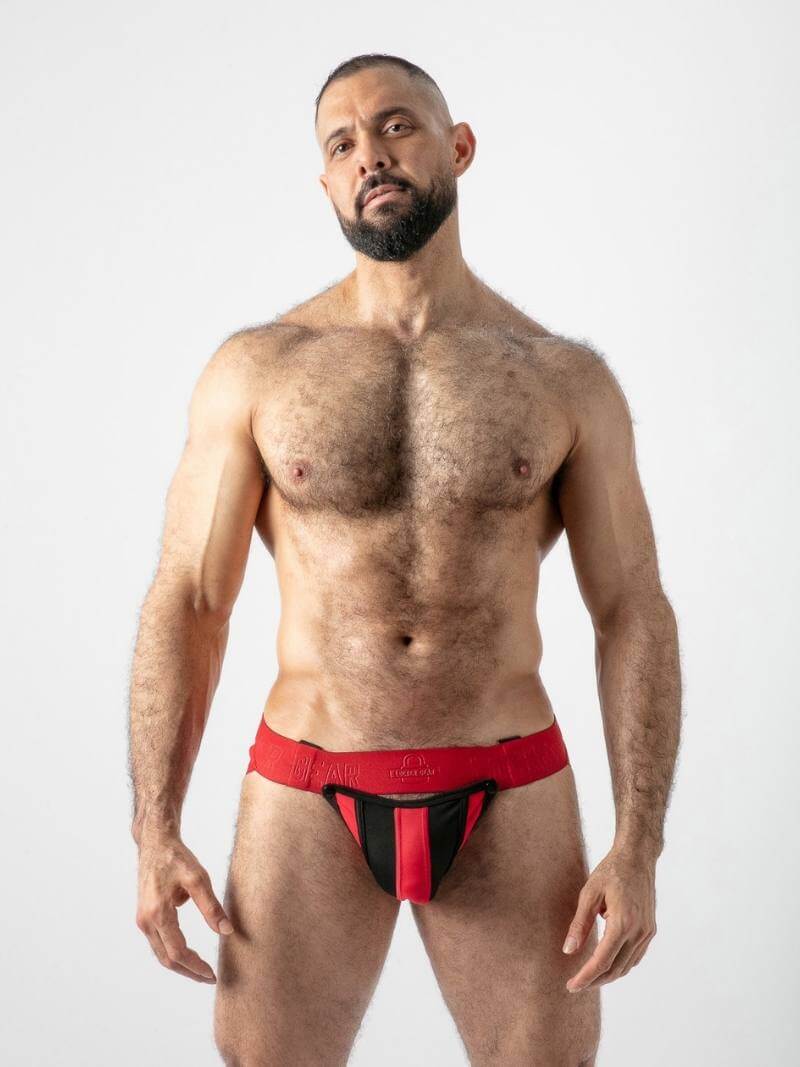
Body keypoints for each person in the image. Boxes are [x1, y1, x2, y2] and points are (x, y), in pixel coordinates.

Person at [128, 52, 682, 1066]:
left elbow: (631, 610)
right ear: (325, 182)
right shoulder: (258, 368)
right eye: (340, 144)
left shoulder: (560, 377)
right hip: (307, 782)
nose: (369, 155)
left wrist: (636, 844)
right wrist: (153, 828)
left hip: (508, 779)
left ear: (457, 146)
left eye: (395, 126)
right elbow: (191, 600)